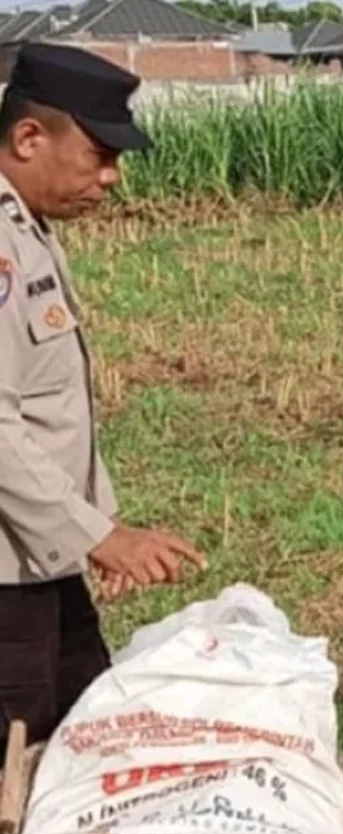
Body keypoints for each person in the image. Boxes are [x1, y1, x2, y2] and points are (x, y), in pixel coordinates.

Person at [0, 43, 205, 750]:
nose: (112, 177)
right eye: (100, 155)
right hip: (8, 583)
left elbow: (48, 404)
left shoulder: (25, 226)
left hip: (40, 557)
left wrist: (95, 523)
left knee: (84, 742)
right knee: (21, 763)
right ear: (29, 138)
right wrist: (99, 537)